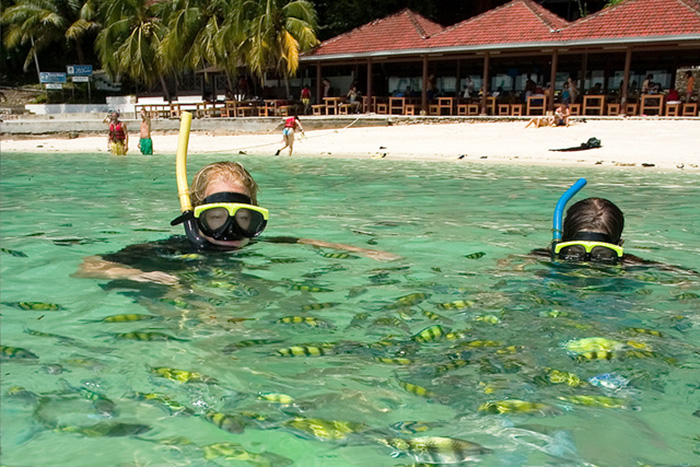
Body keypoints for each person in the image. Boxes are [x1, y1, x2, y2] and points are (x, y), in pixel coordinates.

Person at [74, 161, 400, 285]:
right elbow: (88, 266)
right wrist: (141, 275)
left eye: (244, 220)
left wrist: (361, 251)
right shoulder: (166, 250)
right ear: (196, 216)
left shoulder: (248, 243)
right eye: (216, 219)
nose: (231, 232)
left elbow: (298, 242)